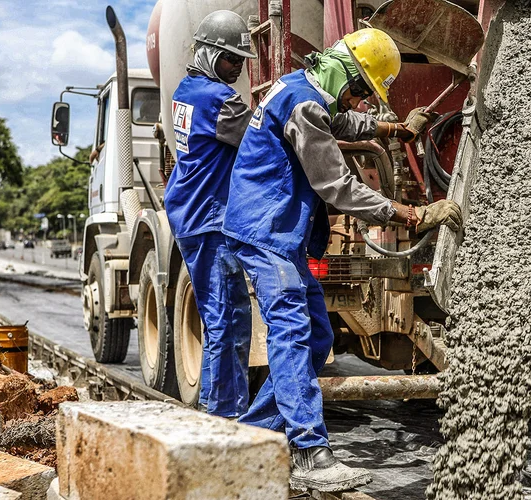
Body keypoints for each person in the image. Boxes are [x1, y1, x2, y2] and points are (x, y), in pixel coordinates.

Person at [223, 28, 462, 492]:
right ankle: (311, 452)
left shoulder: (303, 88)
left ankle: (250, 438)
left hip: (280, 233)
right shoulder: (305, 104)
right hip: (267, 232)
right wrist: (411, 213)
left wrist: (394, 127)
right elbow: (337, 187)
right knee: (292, 333)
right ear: (345, 73)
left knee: (316, 337)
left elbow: (341, 122)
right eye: (358, 91)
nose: (357, 103)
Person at [163, 11, 255, 418]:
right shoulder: (218, 99)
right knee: (223, 320)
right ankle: (220, 416)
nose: (236, 68)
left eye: (241, 61)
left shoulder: (186, 88)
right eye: (230, 59)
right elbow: (261, 138)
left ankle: (229, 409)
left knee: (229, 318)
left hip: (191, 212)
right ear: (209, 53)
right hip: (208, 219)